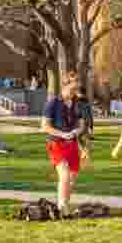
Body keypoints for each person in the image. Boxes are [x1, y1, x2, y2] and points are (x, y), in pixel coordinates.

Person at [42, 80, 86, 215]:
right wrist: (63, 134)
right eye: (72, 90)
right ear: (64, 87)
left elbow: (81, 125)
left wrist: (76, 133)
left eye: (76, 90)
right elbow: (45, 126)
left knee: (72, 179)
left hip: (72, 145)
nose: (74, 93)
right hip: (56, 144)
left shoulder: (77, 104)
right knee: (65, 175)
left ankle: (65, 205)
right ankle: (61, 207)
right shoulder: (53, 103)